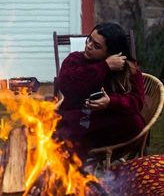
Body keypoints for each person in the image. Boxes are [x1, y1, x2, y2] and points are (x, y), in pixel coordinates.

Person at [56, 22, 145, 158]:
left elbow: (137, 102)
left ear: (111, 53)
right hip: (78, 119)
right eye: (89, 39)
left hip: (106, 123)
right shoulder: (74, 59)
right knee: (60, 125)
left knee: (134, 122)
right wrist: (104, 67)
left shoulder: (128, 70)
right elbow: (67, 86)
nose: (89, 46)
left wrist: (111, 102)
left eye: (96, 46)